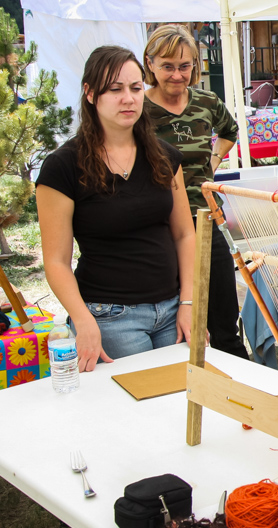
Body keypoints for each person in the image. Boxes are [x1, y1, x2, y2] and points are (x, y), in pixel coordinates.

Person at [36, 46, 194, 371]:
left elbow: (184, 235)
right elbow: (55, 261)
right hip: (109, 316)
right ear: (90, 93)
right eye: (115, 89)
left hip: (173, 308)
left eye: (136, 88)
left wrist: (190, 302)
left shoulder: (165, 156)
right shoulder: (62, 166)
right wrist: (83, 320)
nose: (129, 99)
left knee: (184, 406)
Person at [142, 24, 248, 360]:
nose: (177, 75)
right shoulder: (138, 110)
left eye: (185, 66)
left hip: (206, 219)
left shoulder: (205, 101)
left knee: (224, 322)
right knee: (177, 322)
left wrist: (214, 159)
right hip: (160, 226)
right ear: (150, 63)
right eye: (168, 66)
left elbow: (230, 130)